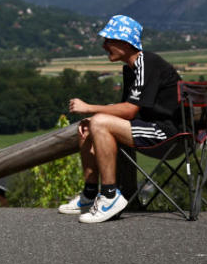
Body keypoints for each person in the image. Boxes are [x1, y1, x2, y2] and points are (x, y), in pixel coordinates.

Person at [58, 15, 181, 223]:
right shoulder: (131, 69)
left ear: (125, 43)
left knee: (97, 121)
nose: (104, 46)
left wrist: (89, 108)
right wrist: (92, 116)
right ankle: (89, 195)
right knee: (88, 126)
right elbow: (125, 110)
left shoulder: (146, 62)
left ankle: (109, 195)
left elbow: (129, 110)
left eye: (109, 40)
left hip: (169, 134)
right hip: (151, 128)